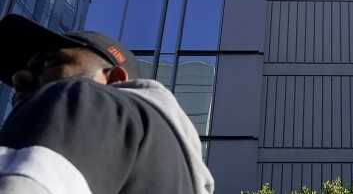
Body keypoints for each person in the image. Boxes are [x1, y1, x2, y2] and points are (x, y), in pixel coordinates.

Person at [0, 15, 214, 194]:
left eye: (50, 62)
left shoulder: (79, 96)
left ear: (114, 79)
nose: (20, 76)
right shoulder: (175, 169)